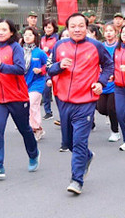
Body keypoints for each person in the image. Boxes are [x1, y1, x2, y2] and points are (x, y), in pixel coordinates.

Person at [47, 12, 114, 195]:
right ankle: (88, 156)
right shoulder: (59, 46)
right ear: (67, 29)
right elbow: (49, 69)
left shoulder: (96, 46)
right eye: (73, 26)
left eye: (81, 26)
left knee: (78, 142)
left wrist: (101, 82)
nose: (77, 29)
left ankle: (76, 180)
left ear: (87, 27)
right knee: (68, 142)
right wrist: (59, 66)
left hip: (85, 100)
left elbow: (109, 66)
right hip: (63, 100)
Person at [0, 19, 41, 179]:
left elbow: (20, 69)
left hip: (17, 97)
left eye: (4, 29)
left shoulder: (15, 48)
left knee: (24, 130)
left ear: (12, 32)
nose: (0, 32)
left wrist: (2, 66)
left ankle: (33, 153)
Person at [22, 26, 48, 140]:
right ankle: (36, 128)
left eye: (30, 35)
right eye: (25, 35)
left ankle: (36, 128)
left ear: (35, 37)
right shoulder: (19, 51)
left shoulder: (39, 52)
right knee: (27, 106)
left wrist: (41, 70)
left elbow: (49, 65)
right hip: (23, 83)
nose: (27, 37)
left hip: (37, 82)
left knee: (33, 104)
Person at [99, 23, 120, 142]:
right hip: (102, 81)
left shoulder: (119, 46)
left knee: (111, 108)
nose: (108, 33)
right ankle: (112, 115)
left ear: (116, 32)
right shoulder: (100, 46)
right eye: (106, 31)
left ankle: (115, 132)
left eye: (111, 31)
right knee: (102, 108)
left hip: (115, 82)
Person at [40, 18, 59, 120]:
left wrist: (50, 50)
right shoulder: (42, 39)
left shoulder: (57, 38)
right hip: (44, 66)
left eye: (49, 27)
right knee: (45, 90)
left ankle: (63, 113)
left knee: (57, 90)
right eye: (46, 27)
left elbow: (58, 50)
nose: (47, 29)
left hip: (54, 65)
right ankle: (48, 111)